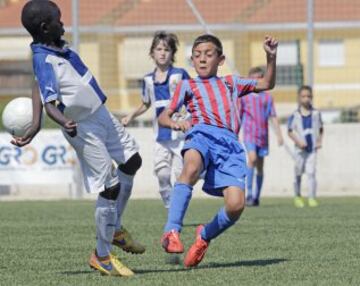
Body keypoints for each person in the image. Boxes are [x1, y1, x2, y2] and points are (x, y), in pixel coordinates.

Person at [18, 0, 145, 277]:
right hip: (82, 126)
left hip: (102, 114)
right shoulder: (43, 57)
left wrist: (36, 124)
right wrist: (61, 120)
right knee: (109, 187)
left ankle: (115, 229)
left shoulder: (57, 46)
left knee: (132, 161)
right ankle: (102, 256)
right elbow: (50, 100)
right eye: (58, 20)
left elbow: (37, 83)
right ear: (44, 27)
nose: (63, 24)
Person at [158, 34, 277, 267]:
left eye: (208, 54)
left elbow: (266, 84)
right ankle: (171, 231)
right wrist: (175, 123)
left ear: (220, 60)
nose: (202, 59)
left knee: (235, 206)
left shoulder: (231, 83)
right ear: (192, 60)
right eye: (197, 55)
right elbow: (164, 116)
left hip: (230, 146)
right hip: (200, 135)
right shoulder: (186, 85)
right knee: (190, 167)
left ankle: (204, 236)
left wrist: (270, 57)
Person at [122, 31, 190, 208]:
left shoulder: (180, 74)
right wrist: (131, 115)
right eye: (158, 49)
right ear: (152, 53)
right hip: (160, 135)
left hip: (180, 135)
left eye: (166, 49)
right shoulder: (147, 79)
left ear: (172, 53)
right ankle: (170, 207)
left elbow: (192, 97)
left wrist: (188, 117)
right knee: (162, 174)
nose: (162, 53)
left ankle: (177, 211)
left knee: (179, 174)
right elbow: (146, 103)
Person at [239, 66, 284, 206]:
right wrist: (233, 133)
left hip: (263, 136)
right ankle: (249, 194)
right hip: (249, 135)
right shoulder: (244, 97)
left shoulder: (267, 97)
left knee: (260, 166)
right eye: (254, 77)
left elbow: (273, 116)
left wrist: (279, 135)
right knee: (251, 159)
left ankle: (257, 196)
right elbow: (238, 116)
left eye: (259, 77)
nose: (257, 80)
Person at [288, 85, 323, 208]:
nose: (306, 99)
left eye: (308, 96)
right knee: (298, 172)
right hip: (299, 150)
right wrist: (298, 142)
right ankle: (297, 196)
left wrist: (319, 141)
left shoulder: (316, 113)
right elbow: (290, 131)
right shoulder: (295, 115)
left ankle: (312, 197)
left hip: (312, 149)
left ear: (312, 97)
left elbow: (321, 128)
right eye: (303, 96)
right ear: (299, 98)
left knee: (311, 172)